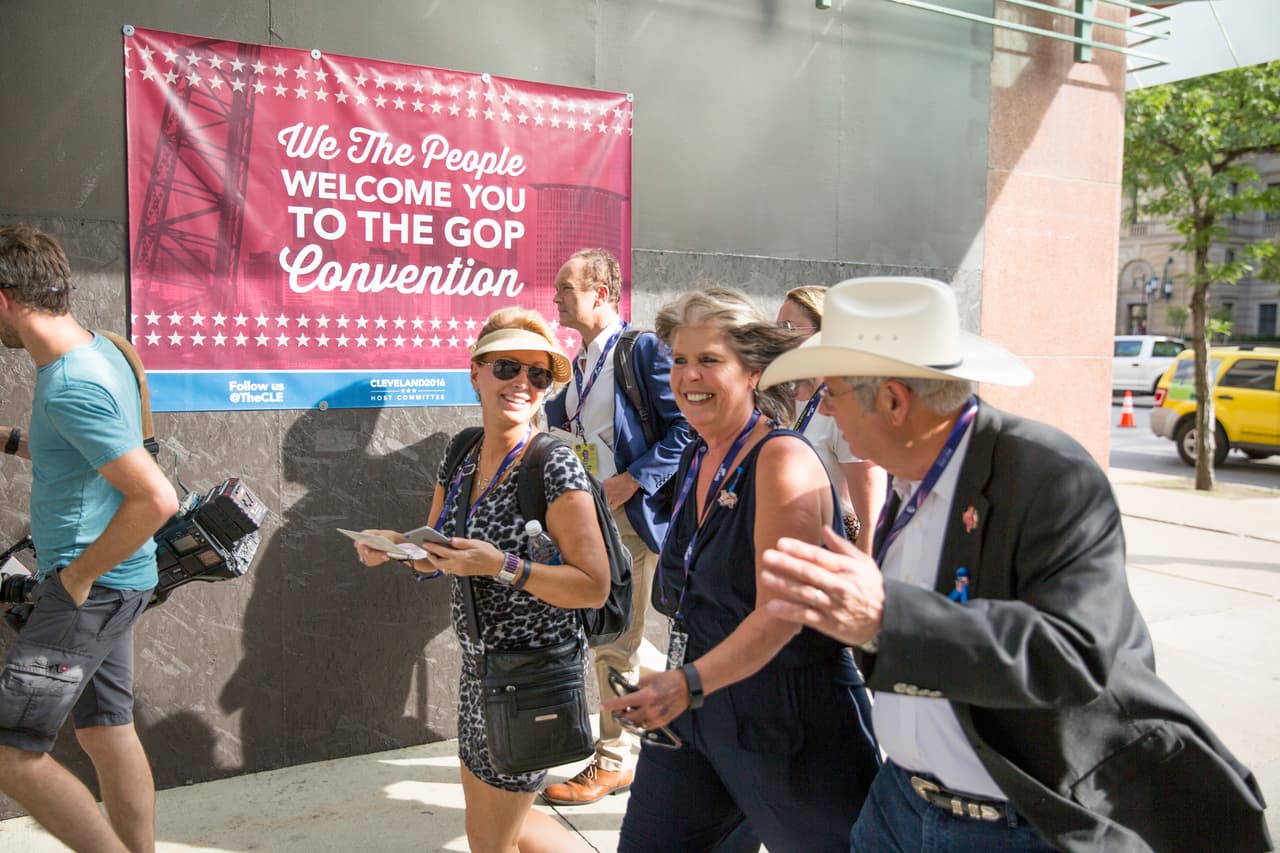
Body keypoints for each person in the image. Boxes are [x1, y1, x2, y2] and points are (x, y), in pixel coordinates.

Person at [757, 276, 1272, 853]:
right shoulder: (910, 474)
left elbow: (1075, 653)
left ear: (895, 401)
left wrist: (886, 616)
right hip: (898, 805)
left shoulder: (1049, 474)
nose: (823, 407)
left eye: (833, 393)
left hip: (1014, 826)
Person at [600, 286, 880, 853]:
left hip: (787, 719)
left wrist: (686, 682)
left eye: (709, 360)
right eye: (679, 360)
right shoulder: (696, 452)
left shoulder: (781, 460)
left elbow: (781, 614)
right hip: (693, 712)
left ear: (753, 371)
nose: (688, 376)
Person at [354, 307, 608, 853]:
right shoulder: (462, 451)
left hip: (532, 677)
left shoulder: (554, 463)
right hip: (478, 672)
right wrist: (397, 549)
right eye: (508, 367)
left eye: (539, 375)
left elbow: (593, 585)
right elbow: (439, 553)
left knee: (488, 840)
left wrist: (502, 566)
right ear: (476, 372)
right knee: (503, 828)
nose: (523, 383)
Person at [0, 224, 180, 853]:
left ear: (5, 299)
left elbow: (155, 497)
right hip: (117, 582)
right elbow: (90, 457)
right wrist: (11, 442)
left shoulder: (71, 382)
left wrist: (74, 580)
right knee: (106, 729)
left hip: (90, 588)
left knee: (12, 755)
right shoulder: (106, 349)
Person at [542, 248, 693, 804]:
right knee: (611, 638)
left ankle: (614, 761)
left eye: (565, 288)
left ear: (600, 293)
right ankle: (696, 687)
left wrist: (632, 480)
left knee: (610, 642)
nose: (555, 297)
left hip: (628, 517)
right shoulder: (580, 360)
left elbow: (684, 429)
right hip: (588, 518)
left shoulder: (642, 350)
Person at [776, 285, 885, 555]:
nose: (777, 336)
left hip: (826, 559)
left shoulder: (845, 410)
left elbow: (872, 519)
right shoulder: (781, 396)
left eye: (788, 327)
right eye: (776, 326)